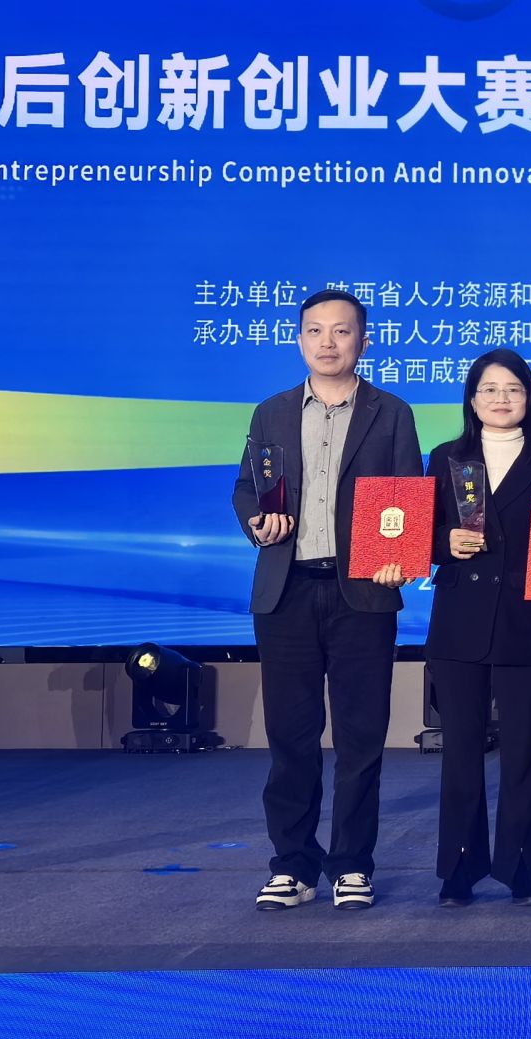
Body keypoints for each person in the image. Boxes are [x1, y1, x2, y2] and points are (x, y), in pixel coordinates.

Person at [231, 289, 422, 912]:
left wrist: (402, 554)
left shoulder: (391, 412)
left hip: (361, 591)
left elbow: (407, 493)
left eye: (341, 331)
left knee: (361, 737)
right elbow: (247, 488)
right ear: (300, 340)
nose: (328, 342)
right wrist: (257, 523)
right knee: (291, 736)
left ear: (363, 340)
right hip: (286, 591)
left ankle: (352, 865)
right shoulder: (271, 412)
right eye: (315, 330)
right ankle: (292, 864)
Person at [423, 349, 531, 908]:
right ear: (471, 398)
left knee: (523, 753)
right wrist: (444, 542)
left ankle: (523, 868)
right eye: (489, 389)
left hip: (525, 620)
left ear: (529, 397)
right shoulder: (446, 457)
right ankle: (458, 870)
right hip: (459, 621)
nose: (501, 398)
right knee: (460, 753)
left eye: (513, 389)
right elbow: (421, 532)